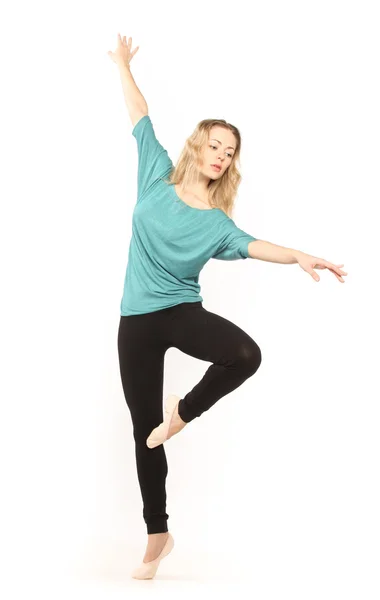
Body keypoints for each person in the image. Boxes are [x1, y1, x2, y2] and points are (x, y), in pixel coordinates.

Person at [108, 34, 347, 580]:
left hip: (180, 311)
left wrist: (301, 255)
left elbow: (257, 246)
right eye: (216, 144)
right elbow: (139, 113)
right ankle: (157, 534)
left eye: (230, 151)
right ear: (197, 146)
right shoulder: (156, 173)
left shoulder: (217, 223)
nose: (222, 155)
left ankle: (184, 414)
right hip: (136, 321)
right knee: (143, 430)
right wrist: (122, 64)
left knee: (244, 353)